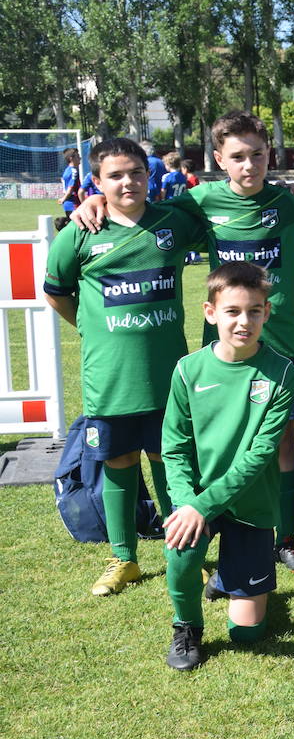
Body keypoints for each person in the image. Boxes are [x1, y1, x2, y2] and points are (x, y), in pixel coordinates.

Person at [71, 110, 294, 574]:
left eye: (257, 155)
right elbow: (138, 217)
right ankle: (215, 526)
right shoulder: (199, 202)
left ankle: (285, 536)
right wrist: (94, 203)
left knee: (280, 443)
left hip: (282, 348)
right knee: (216, 444)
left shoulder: (286, 203)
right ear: (219, 159)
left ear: (269, 155)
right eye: (237, 157)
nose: (249, 165)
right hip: (220, 357)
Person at [43, 137, 204, 596]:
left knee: (169, 462)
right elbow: (55, 290)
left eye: (135, 172)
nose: (127, 181)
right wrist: (91, 328)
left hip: (167, 375)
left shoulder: (172, 223)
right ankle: (123, 558)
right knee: (117, 461)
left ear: (148, 175)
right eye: (114, 176)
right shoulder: (80, 233)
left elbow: (224, 220)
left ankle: (184, 551)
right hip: (110, 377)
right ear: (97, 181)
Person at [160, 262, 294, 670]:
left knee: (247, 635)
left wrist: (205, 505)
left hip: (251, 503)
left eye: (254, 311)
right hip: (197, 498)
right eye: (233, 311)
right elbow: (174, 448)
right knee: (182, 550)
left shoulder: (281, 372)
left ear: (267, 313)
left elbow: (259, 455)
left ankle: (226, 578)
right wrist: (189, 504)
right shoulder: (188, 370)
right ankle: (186, 627)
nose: (244, 321)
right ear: (210, 312)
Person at [58, 148, 83, 214]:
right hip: (74, 204)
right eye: (78, 156)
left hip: (68, 204)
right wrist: (64, 198)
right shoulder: (73, 171)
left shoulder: (67, 170)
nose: (80, 158)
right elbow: (70, 188)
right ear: (71, 158)